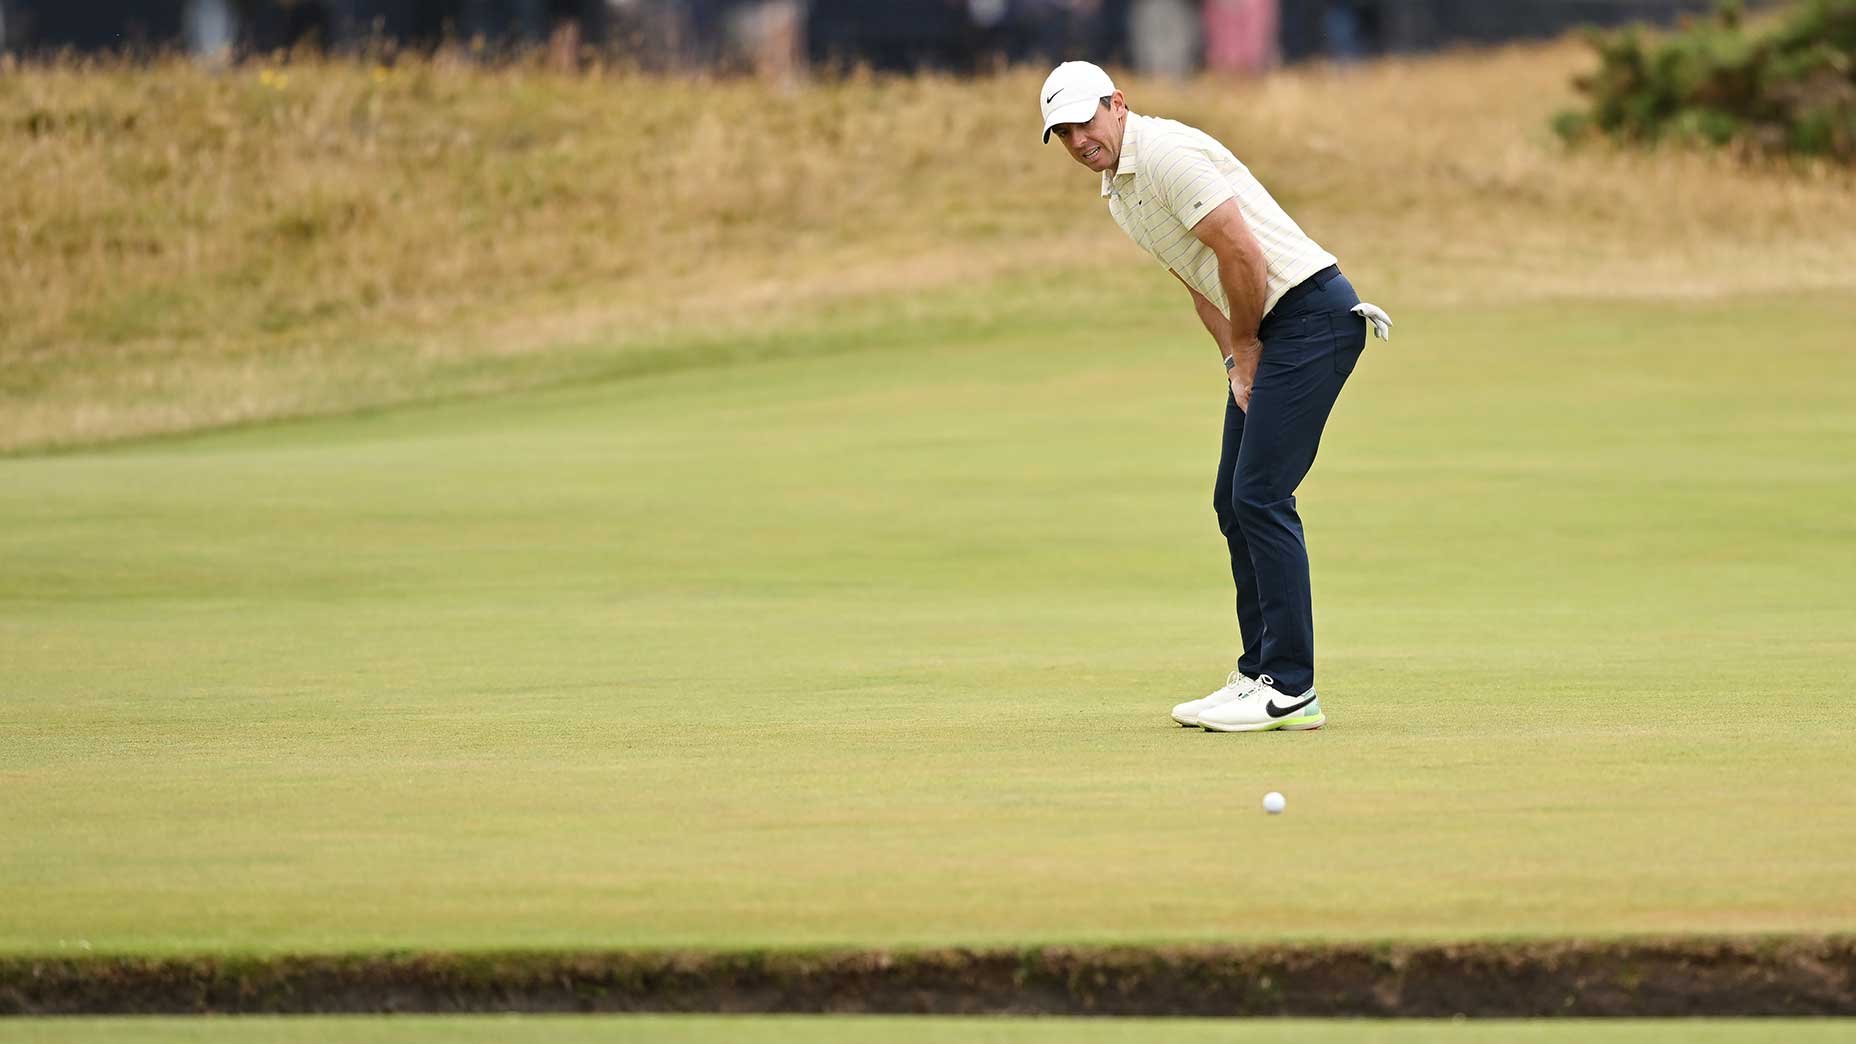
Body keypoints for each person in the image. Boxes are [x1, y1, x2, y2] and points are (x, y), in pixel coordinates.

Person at [1039, 60, 1390, 734]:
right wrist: (1235, 357)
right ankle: (1259, 672)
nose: (1077, 139)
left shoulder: (1166, 154)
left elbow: (1243, 256)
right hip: (1265, 328)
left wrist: (1251, 346)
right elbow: (1199, 279)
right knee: (1233, 499)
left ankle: (1291, 689)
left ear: (1117, 104)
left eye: (1084, 121)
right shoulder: (1119, 191)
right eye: (1062, 132)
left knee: (1261, 494)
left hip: (1310, 318)